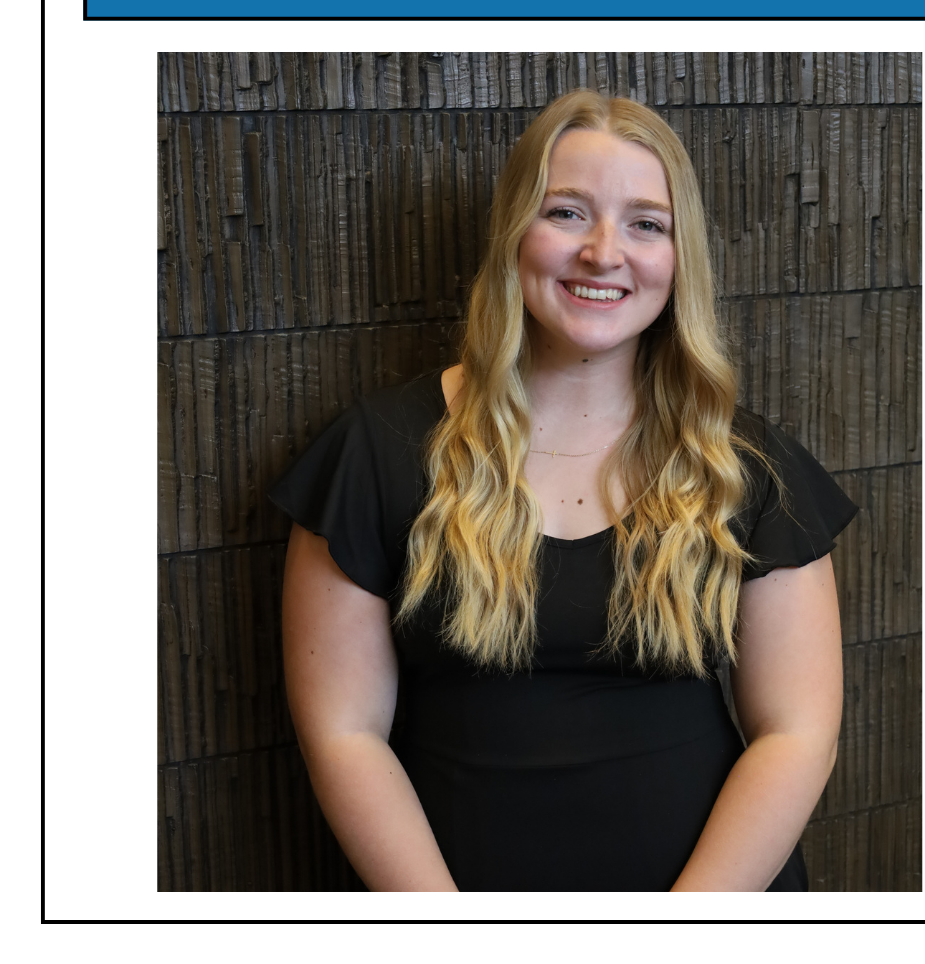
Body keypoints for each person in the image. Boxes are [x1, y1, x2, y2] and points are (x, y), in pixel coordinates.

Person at [274, 90, 857, 892]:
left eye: (646, 224)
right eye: (567, 213)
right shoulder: (376, 451)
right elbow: (343, 734)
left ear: (680, 258)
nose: (603, 253)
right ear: (515, 231)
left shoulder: (747, 465)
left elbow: (797, 732)